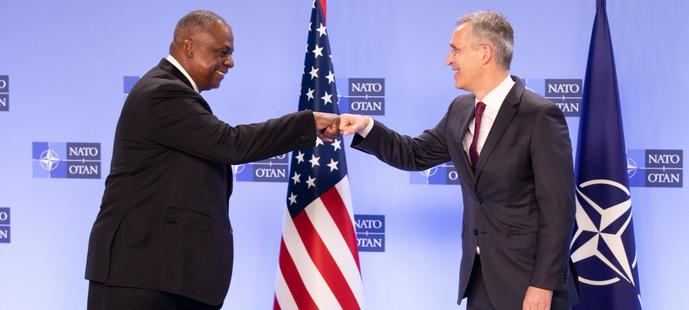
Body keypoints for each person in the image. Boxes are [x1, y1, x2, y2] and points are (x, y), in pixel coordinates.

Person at [85, 10, 338, 309]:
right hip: (144, 279)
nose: (230, 62)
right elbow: (230, 144)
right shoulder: (163, 93)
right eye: (223, 52)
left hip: (164, 276)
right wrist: (307, 123)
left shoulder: (169, 91)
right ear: (189, 46)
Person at [339, 11, 578, 310]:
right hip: (479, 281)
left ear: (485, 53)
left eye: (455, 50)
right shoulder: (460, 109)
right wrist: (367, 127)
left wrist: (543, 284)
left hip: (529, 284)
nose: (448, 60)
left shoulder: (539, 115)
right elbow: (414, 153)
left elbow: (559, 209)